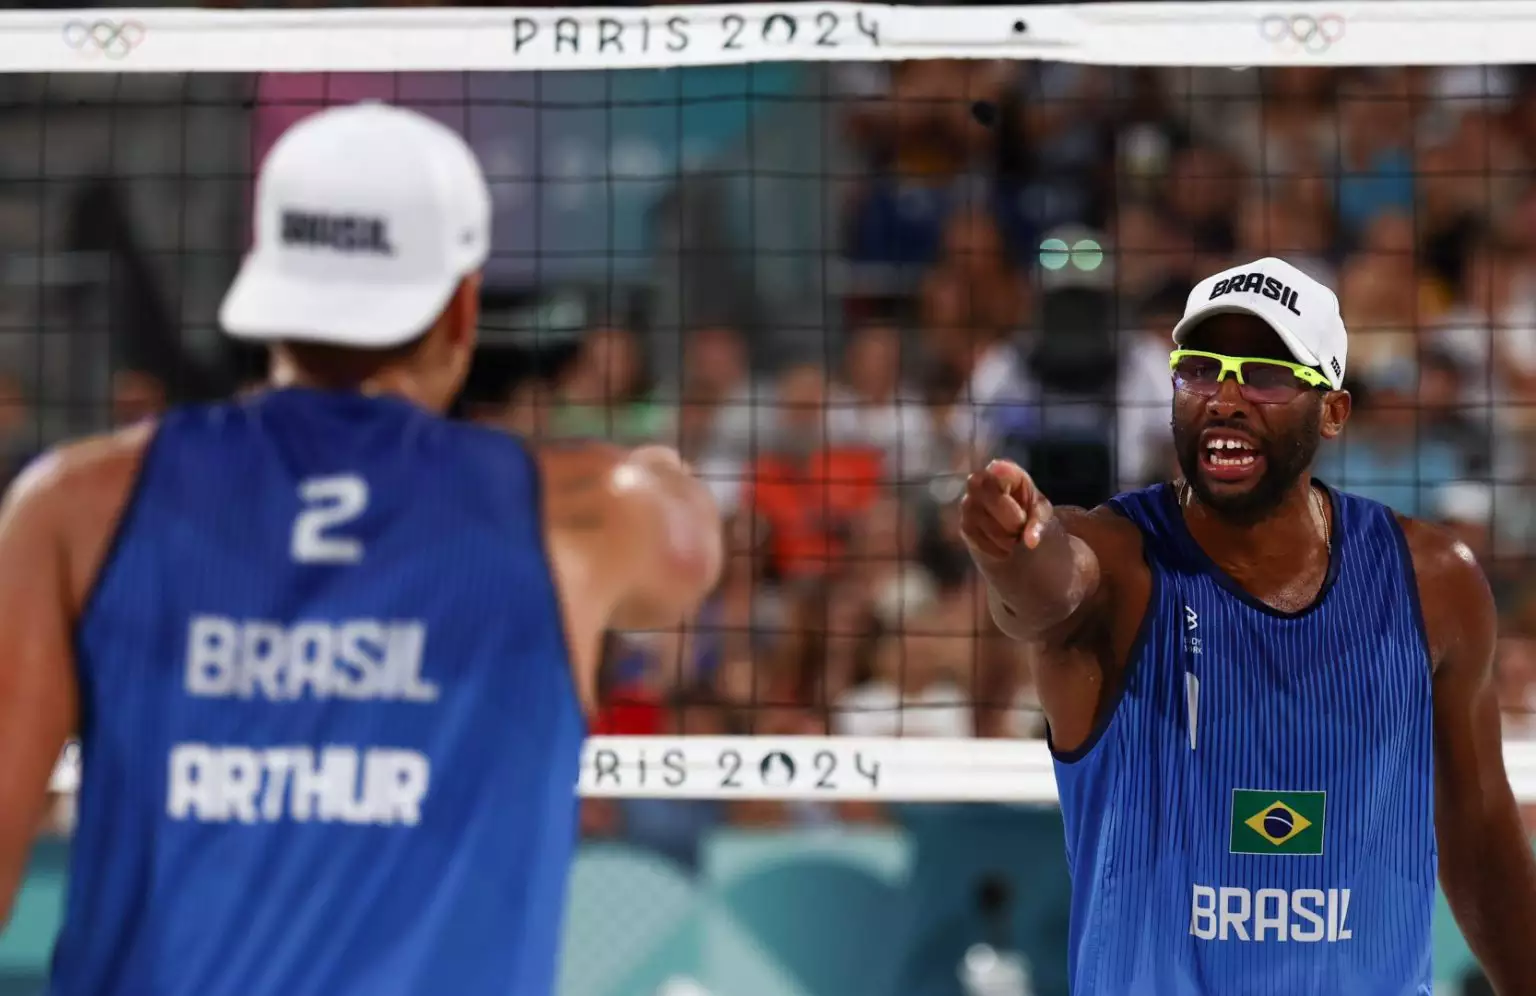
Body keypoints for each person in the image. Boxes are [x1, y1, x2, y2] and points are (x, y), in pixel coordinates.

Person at [0, 103, 722, 996]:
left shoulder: (73, 506)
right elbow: (691, 549)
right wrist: (653, 470)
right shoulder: (582, 515)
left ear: (265, 286)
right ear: (461, 308)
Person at [960, 257, 1536, 995]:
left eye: (1264, 375)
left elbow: (1482, 836)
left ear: (1333, 411)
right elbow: (1044, 593)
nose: (1226, 398)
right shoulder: (1119, 564)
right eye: (1202, 370)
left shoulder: (1435, 583)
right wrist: (1010, 550)